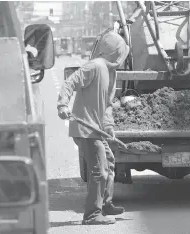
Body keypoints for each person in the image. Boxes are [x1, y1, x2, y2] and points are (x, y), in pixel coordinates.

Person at [57, 31, 130, 225]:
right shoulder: (95, 66)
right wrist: (62, 104)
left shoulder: (111, 72)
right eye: (120, 52)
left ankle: (105, 204)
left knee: (110, 163)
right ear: (113, 51)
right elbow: (70, 82)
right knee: (99, 171)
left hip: (97, 129)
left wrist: (109, 126)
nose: (122, 56)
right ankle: (92, 214)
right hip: (85, 129)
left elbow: (107, 105)